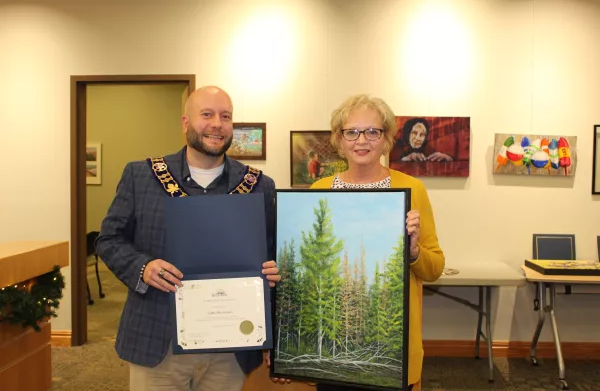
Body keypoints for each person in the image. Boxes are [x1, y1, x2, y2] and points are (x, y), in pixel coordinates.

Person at [95, 85, 281, 391]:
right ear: (185, 123)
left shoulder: (259, 186)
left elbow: (273, 254)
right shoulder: (141, 176)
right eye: (206, 114)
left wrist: (275, 271)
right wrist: (143, 267)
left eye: (225, 116)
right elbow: (108, 239)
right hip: (159, 341)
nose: (216, 124)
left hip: (231, 344)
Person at [310, 94, 445, 391]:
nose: (362, 140)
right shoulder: (319, 190)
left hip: (392, 352)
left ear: (386, 140)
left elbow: (434, 269)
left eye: (373, 131)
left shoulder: (412, 189)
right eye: (351, 132)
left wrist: (414, 252)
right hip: (334, 348)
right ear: (339, 140)